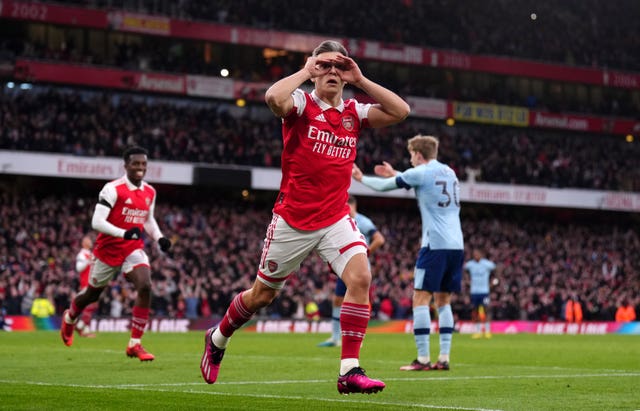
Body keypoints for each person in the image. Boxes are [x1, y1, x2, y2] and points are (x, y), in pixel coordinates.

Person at [199, 39, 409, 394]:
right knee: (261, 297)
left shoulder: (354, 111)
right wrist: (305, 70)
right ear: (312, 69)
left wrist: (360, 78)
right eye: (324, 65)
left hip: (336, 217)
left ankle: (349, 371)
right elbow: (272, 99)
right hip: (293, 219)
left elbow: (401, 111)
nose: (331, 72)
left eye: (338, 66)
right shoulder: (300, 102)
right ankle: (218, 337)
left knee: (360, 277)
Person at [352, 134, 464, 372]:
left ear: (418, 155)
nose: (410, 159)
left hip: (434, 244)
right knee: (444, 301)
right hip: (456, 245)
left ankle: (423, 359)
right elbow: (421, 180)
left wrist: (361, 178)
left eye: (411, 155)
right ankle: (443, 358)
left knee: (420, 298)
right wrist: (397, 173)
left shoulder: (420, 172)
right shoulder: (449, 172)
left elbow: (385, 187)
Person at [60, 146, 172, 361]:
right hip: (107, 251)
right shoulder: (112, 189)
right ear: (126, 165)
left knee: (145, 286)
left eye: (143, 164)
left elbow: (148, 219)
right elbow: (96, 222)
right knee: (92, 294)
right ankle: (71, 316)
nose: (140, 168)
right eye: (136, 164)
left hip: (132, 248)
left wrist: (159, 238)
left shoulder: (150, 191)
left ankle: (135, 344)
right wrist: (123, 233)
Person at [318, 195, 386, 347]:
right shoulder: (342, 221)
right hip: (345, 266)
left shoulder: (363, 221)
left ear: (352, 205)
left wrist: (365, 252)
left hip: (358, 267)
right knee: (338, 300)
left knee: (358, 300)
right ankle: (335, 338)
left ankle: (357, 337)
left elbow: (379, 239)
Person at [464, 248, 496, 339]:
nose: (475, 255)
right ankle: (477, 331)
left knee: (486, 310)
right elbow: (464, 271)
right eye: (474, 254)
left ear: (481, 254)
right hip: (474, 292)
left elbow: (497, 269)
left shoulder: (487, 264)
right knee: (475, 311)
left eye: (477, 254)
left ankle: (487, 331)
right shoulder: (470, 264)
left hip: (484, 292)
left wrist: (494, 282)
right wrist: (467, 280)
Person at [73, 235, 97, 338]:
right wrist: (88, 261)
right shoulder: (82, 254)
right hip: (86, 283)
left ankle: (85, 330)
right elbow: (78, 268)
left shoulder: (90, 254)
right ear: (84, 243)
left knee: (90, 306)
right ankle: (79, 325)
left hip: (92, 283)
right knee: (92, 305)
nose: (91, 242)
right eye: (88, 240)